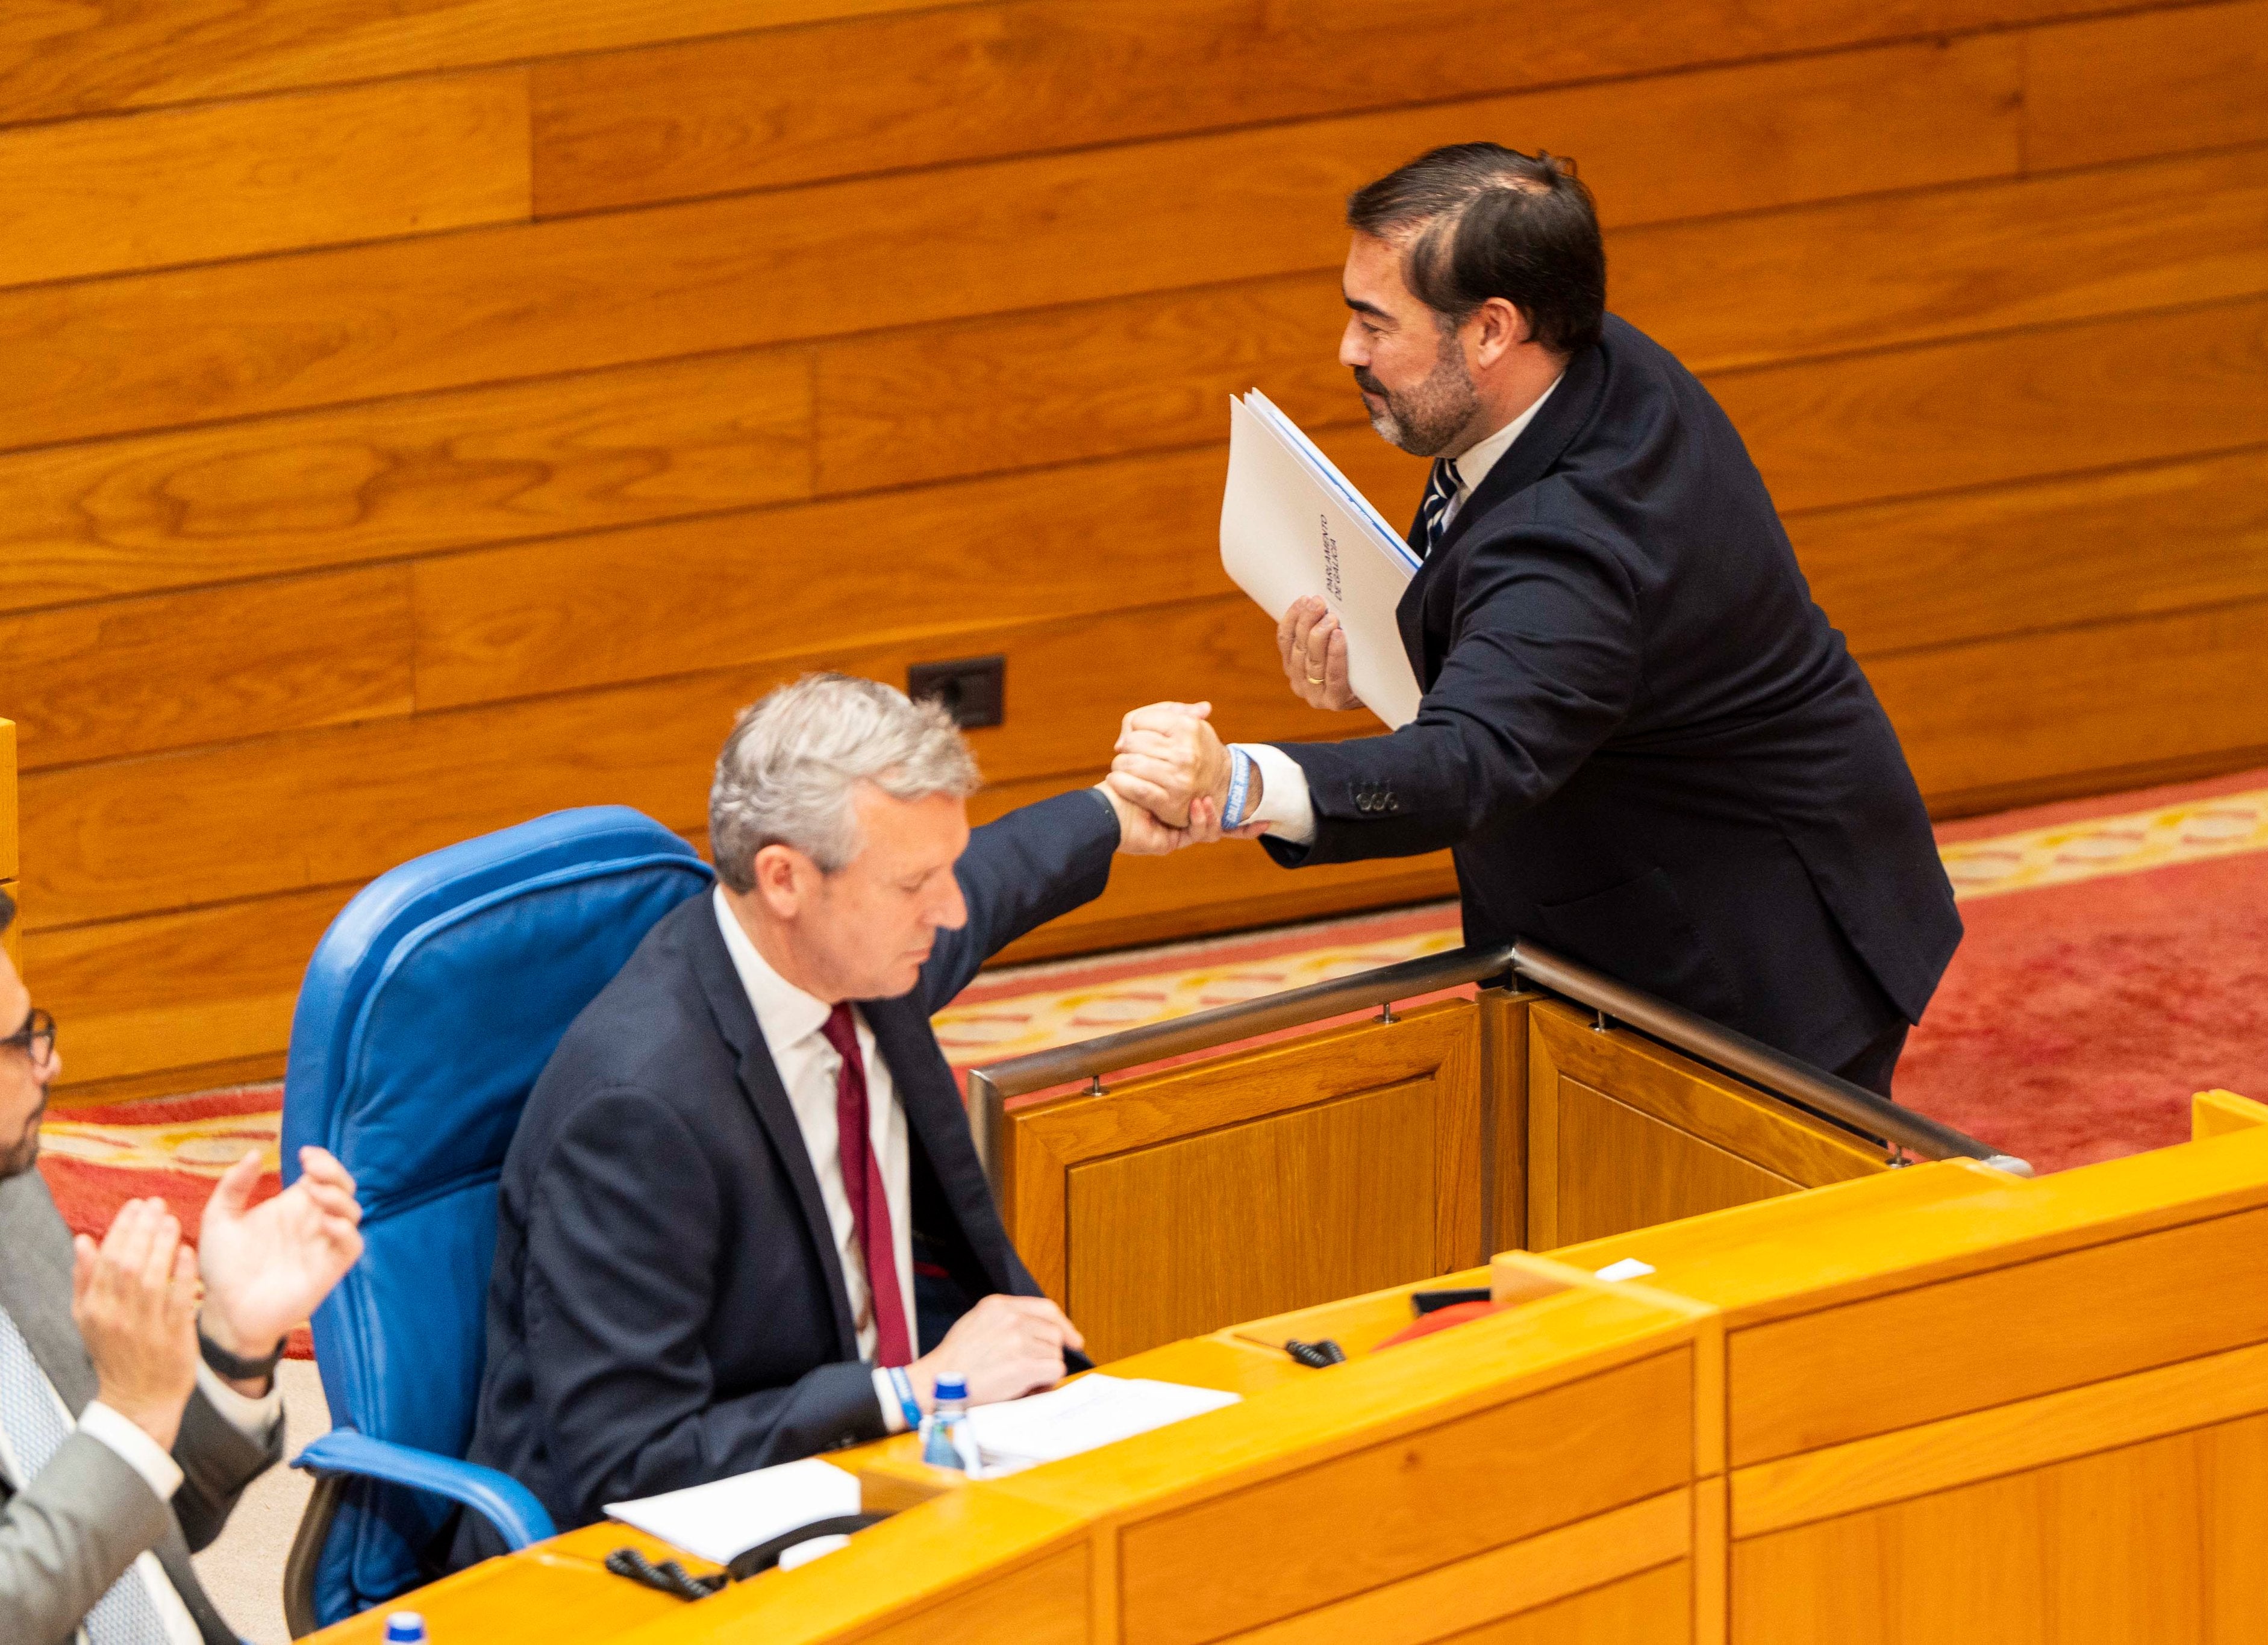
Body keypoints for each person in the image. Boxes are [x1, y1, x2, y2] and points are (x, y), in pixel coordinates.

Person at [1110, 143, 1961, 1094]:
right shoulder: (1575, 363)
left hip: (1747, 960)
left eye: (1374, 323)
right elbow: (1520, 638)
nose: (1348, 350)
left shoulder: (1577, 541)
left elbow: (1475, 758)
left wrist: (1237, 783)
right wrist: (1395, 652)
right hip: (1675, 868)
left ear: (1492, 329)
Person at [456, 673, 1242, 1559]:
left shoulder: (844, 946)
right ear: (785, 877)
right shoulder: (639, 1109)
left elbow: (994, 880)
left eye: (943, 868)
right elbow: (631, 1459)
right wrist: (913, 1391)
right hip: (665, 1550)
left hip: (875, 1468)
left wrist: (1114, 811)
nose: (945, 911)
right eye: (916, 882)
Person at [0, 887, 367, 1644]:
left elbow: (140, 1518)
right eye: (18, 1042)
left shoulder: (10, 1194)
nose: (51, 1060)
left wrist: (228, 1350)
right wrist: (129, 1418)